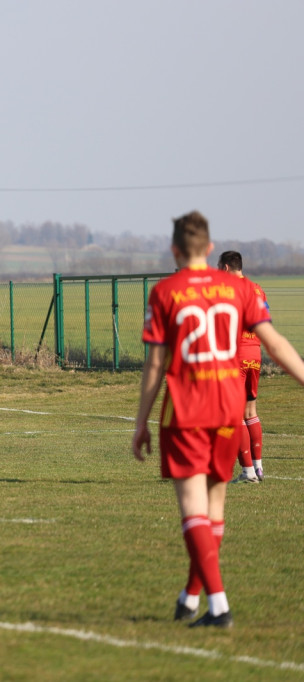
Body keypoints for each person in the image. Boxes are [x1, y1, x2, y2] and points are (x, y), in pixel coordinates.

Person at [132, 211, 304, 628]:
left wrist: (140, 422)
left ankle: (219, 604)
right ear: (210, 249)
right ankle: (191, 596)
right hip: (229, 409)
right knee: (215, 507)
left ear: (175, 250)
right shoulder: (237, 288)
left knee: (193, 507)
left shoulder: (165, 292)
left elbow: (156, 364)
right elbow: (276, 344)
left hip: (187, 409)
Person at [217, 250, 269, 482]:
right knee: (251, 412)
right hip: (255, 353)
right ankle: (258, 468)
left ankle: (247, 472)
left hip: (235, 355)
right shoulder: (257, 289)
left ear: (226, 268)